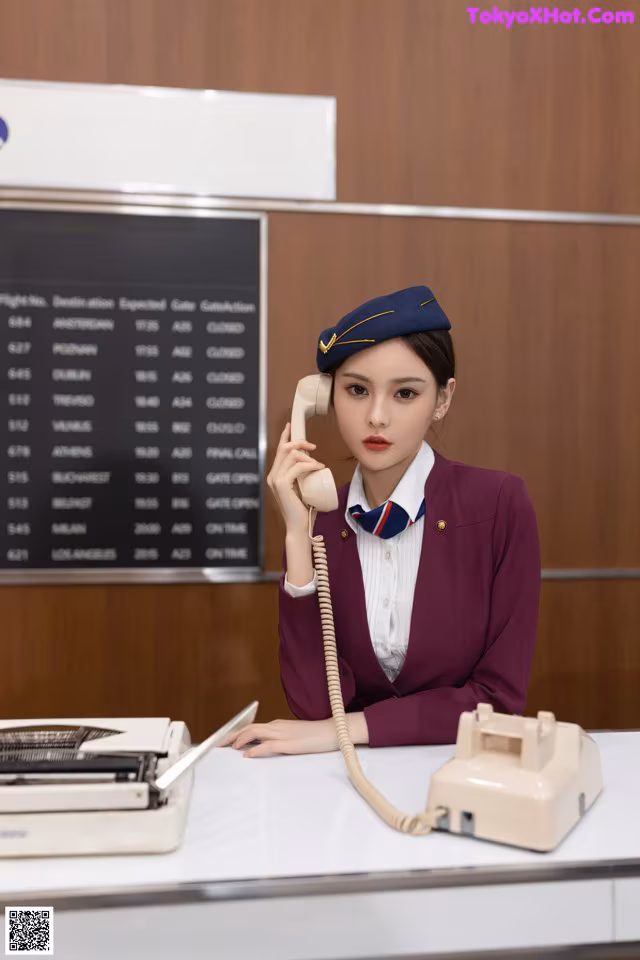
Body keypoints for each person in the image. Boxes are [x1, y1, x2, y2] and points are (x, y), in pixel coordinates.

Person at [224, 286, 541, 758]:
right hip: (346, 788)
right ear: (324, 398)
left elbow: (498, 701)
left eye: (405, 393)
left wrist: (347, 728)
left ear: (442, 399)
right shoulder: (319, 519)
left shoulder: (499, 505)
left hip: (459, 773)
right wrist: (296, 533)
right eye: (356, 390)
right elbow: (313, 704)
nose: (376, 417)